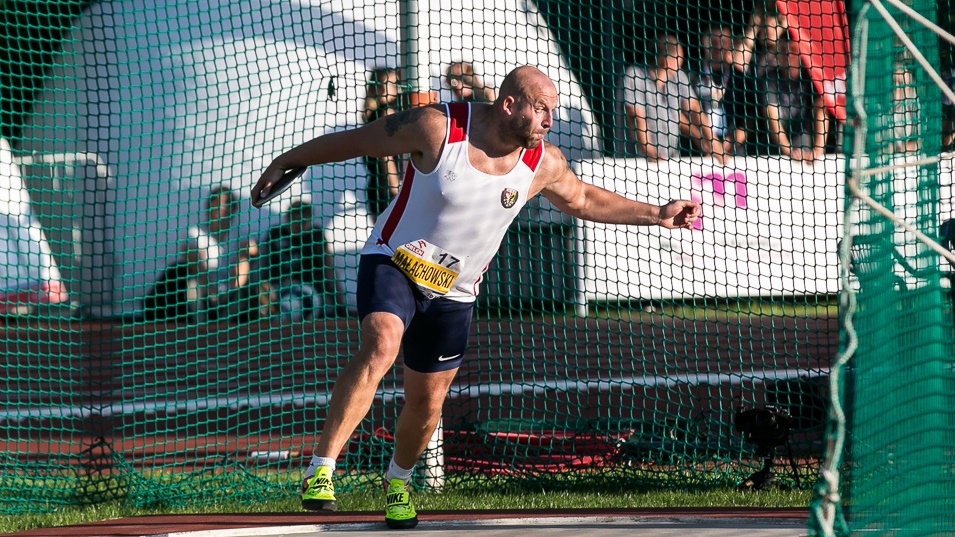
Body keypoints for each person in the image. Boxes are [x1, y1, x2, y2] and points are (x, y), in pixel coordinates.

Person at [251, 65, 701, 529]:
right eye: (542, 110)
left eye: (553, 112)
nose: (549, 121)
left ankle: (398, 482)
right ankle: (321, 470)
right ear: (509, 105)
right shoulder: (438, 127)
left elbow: (583, 199)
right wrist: (287, 160)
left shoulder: (542, 163)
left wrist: (657, 213)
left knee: (427, 404)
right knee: (382, 343)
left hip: (454, 290)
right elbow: (359, 140)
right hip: (394, 261)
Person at [622, 32, 727, 162]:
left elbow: (693, 110)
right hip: (636, 162)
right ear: (665, 62)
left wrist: (709, 142)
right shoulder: (634, 76)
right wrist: (649, 151)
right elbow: (636, 118)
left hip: (670, 159)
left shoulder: (678, 76)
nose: (682, 61)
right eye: (679, 58)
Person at [259, 198, 343, 319]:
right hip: (278, 288)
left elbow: (328, 268)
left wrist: (338, 302)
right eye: (295, 220)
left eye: (303, 221)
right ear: (287, 218)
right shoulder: (276, 234)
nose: (298, 225)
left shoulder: (315, 236)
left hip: (308, 290)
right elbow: (265, 264)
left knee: (292, 307)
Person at [363, 67, 403, 222]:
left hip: (378, 185)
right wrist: (395, 188)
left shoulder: (375, 113)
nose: (393, 88)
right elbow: (384, 155)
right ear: (376, 87)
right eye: (388, 83)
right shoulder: (385, 113)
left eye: (395, 83)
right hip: (386, 185)